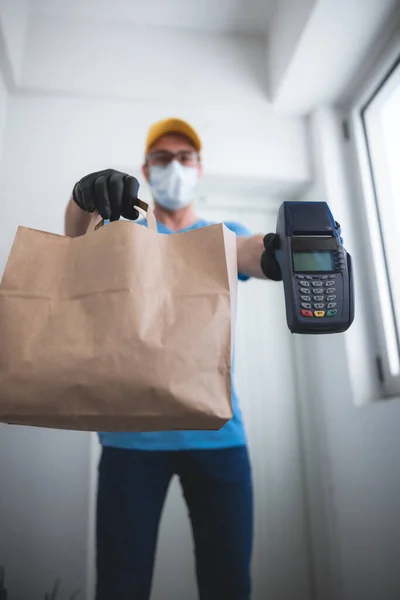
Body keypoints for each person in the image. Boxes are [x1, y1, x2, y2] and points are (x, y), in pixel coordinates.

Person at [65, 118, 281, 600]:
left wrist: (277, 252)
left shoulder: (222, 236)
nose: (175, 166)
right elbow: (75, 246)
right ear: (145, 168)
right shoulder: (122, 234)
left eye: (185, 158)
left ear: (200, 169)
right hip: (130, 442)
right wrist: (81, 199)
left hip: (218, 436)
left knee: (228, 585)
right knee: (121, 586)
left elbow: (249, 252)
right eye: (162, 158)